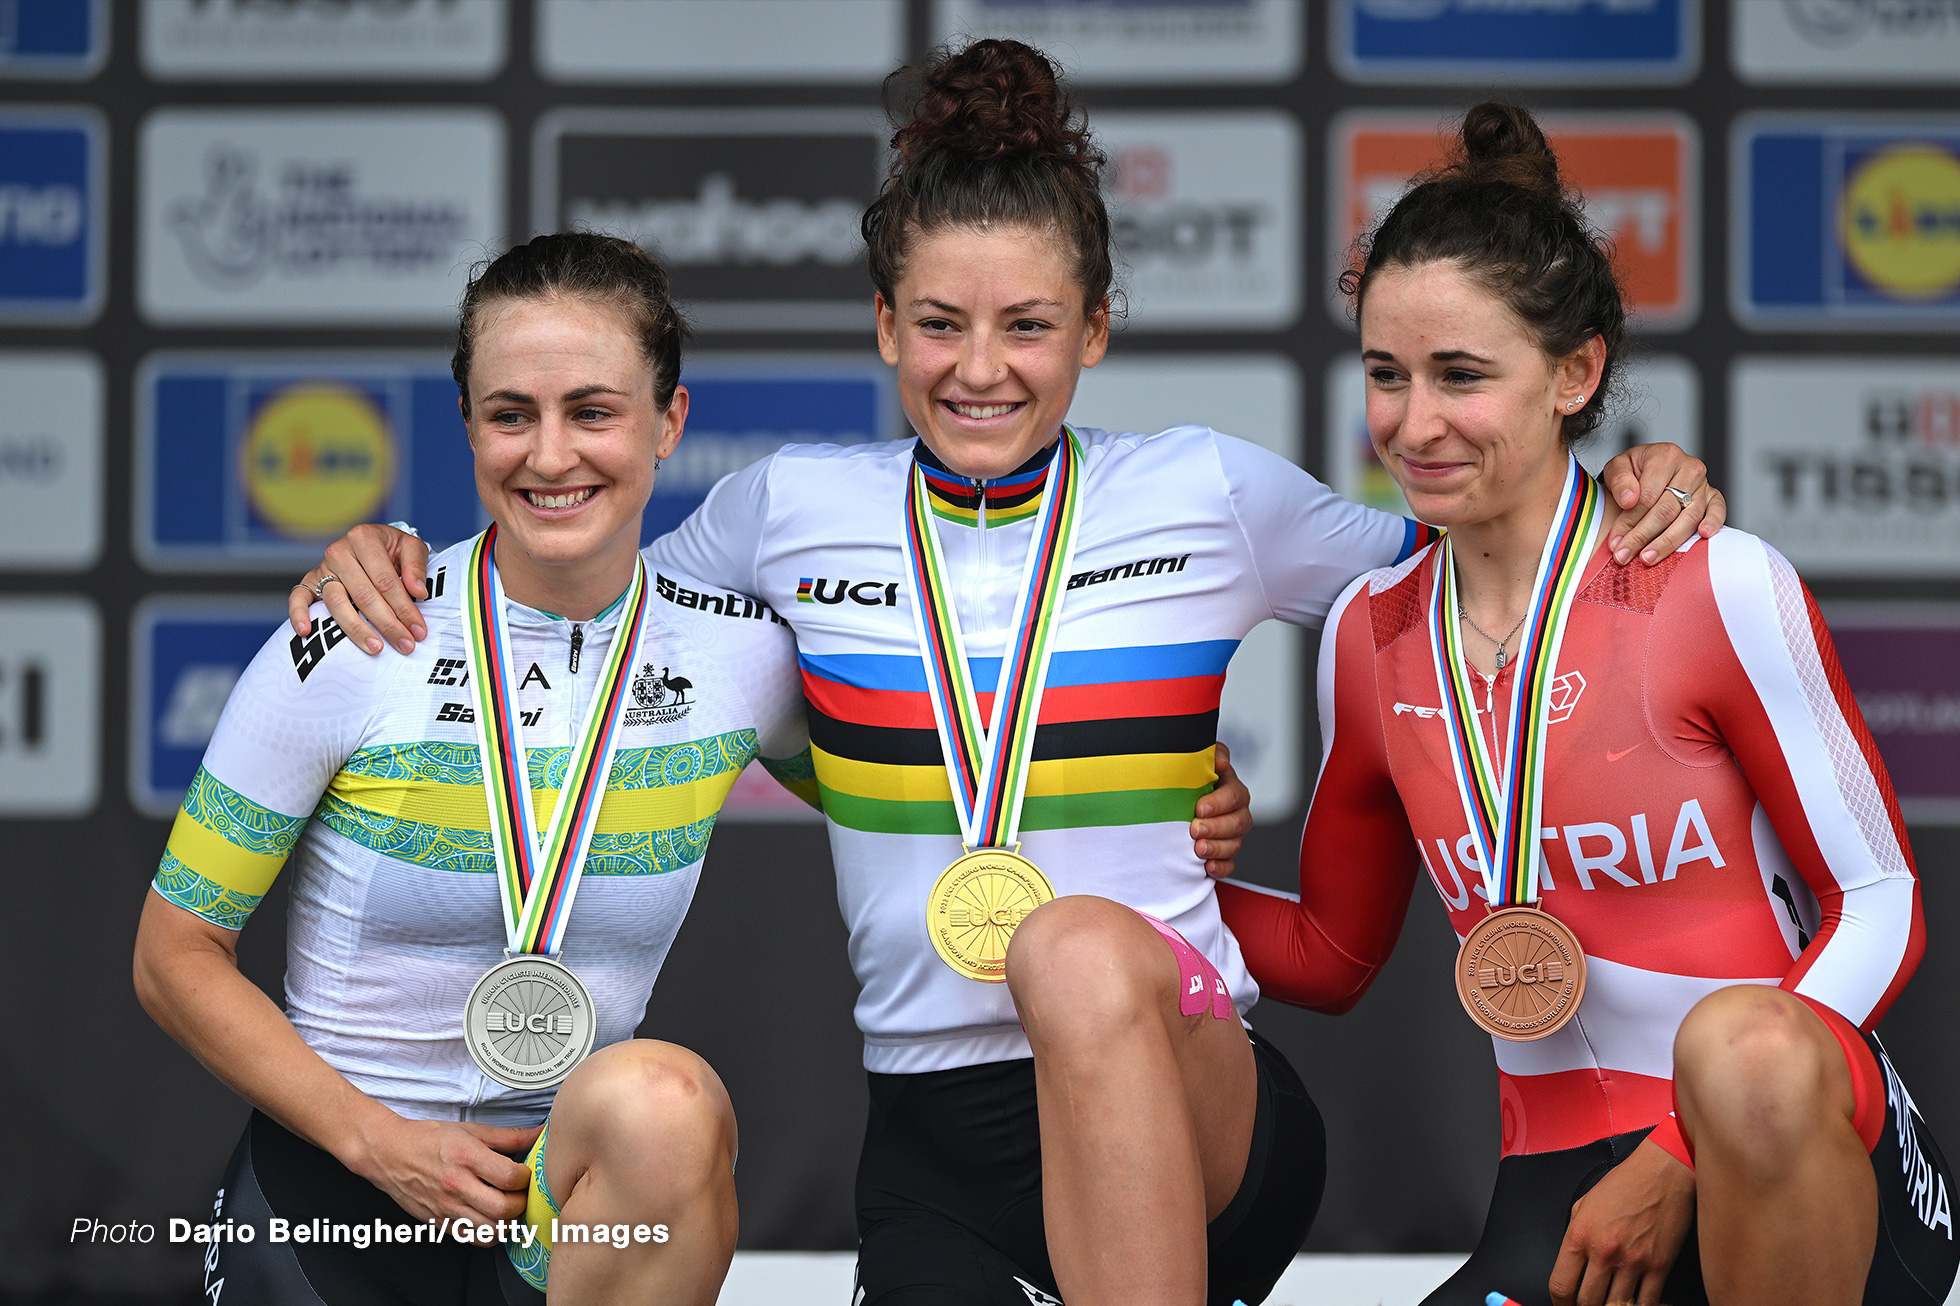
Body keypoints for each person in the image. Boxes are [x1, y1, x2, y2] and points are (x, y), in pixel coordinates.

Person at [292, 44, 1723, 1306]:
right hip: (937, 1135)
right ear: (881, 326)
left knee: (1081, 946)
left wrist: (1628, 476)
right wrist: (388, 553)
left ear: (1095, 330)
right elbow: (574, 579)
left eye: (1029, 325)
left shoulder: (1210, 493)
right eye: (939, 324)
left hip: (1196, 1090)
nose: (982, 368)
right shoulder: (787, 511)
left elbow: (1484, 544)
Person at [1216, 103, 1958, 1306]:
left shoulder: (1708, 580)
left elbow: (1879, 900)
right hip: (1559, 1187)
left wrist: (1680, 1153)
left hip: (1789, 1136)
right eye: (1386, 374)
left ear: (1575, 372)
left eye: (1462, 375)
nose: (1414, 422)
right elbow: (1332, 951)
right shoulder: (1367, 634)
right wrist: (1135, 859)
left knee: (1741, 1044)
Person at [133, 233, 817, 1305]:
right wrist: (378, 1141)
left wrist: (1181, 798)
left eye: (592, 410)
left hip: (565, 1203)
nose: (550, 456)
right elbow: (174, 954)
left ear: (668, 422)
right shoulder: (360, 629)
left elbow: (913, 802)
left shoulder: (744, 659)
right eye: (511, 415)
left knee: (665, 1101)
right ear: (468, 427)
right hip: (341, 1184)